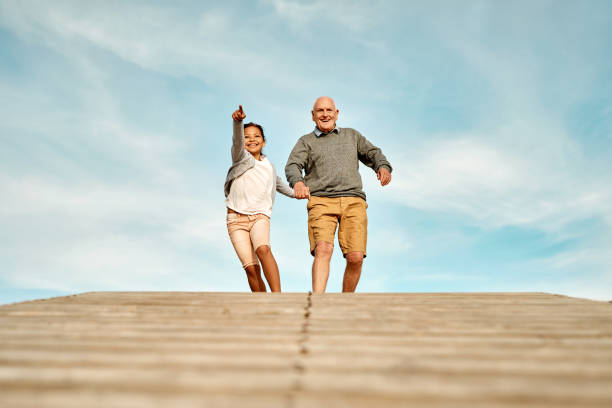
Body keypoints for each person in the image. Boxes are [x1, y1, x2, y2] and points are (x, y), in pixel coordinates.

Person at [285, 96, 392, 293]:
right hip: (321, 201)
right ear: (313, 115)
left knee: (356, 257)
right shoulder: (306, 142)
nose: (325, 114)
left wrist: (383, 166)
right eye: (320, 111)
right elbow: (293, 165)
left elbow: (373, 153)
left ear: (336, 113)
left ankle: (346, 300)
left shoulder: (352, 136)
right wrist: (298, 182)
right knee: (323, 249)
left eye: (329, 110)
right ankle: (317, 301)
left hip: (353, 201)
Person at [224, 105, 300, 292]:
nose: (251, 140)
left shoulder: (269, 166)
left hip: (259, 217)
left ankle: (277, 296)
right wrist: (237, 122)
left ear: (264, 142)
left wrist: (302, 193)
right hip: (235, 220)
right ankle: (263, 303)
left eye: (256, 136)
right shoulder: (240, 158)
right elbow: (236, 141)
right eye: (246, 137)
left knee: (263, 249)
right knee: (251, 269)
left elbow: (282, 187)